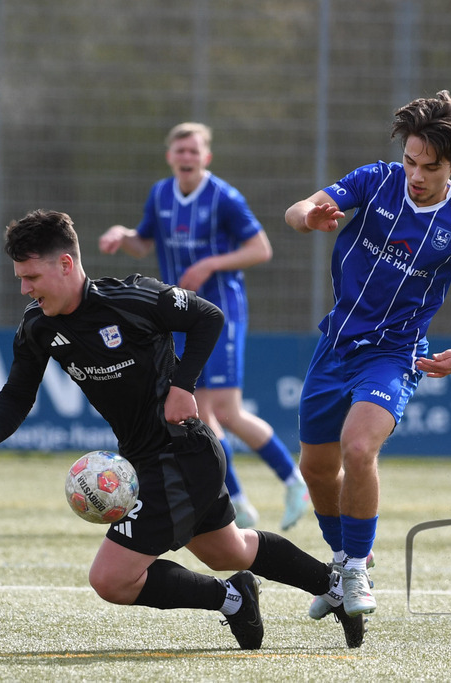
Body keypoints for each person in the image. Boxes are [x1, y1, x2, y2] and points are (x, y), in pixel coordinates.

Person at [0, 209, 364, 649]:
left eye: (31, 277)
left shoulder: (132, 298)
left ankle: (232, 598)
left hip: (180, 453)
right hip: (147, 458)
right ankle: (332, 588)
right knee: (229, 552)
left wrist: (183, 387)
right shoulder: (38, 326)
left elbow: (208, 317)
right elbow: (17, 392)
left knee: (110, 579)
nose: (25, 288)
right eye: (20, 279)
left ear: (65, 264)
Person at [284, 90, 451, 620]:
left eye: (429, 167)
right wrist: (308, 216)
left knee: (358, 448)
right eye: (410, 161)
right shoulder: (375, 180)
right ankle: (342, 563)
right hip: (336, 342)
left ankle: (358, 567)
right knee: (316, 469)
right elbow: (298, 209)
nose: (415, 174)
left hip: (393, 353)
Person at [98, 122, 309, 531]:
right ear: (170, 157)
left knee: (226, 410)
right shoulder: (160, 194)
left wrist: (210, 263)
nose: (187, 158)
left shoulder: (224, 197)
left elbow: (260, 248)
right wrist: (121, 235)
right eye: (180, 151)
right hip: (180, 314)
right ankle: (240, 503)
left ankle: (294, 482)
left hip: (221, 312)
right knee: (202, 412)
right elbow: (144, 243)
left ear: (206, 157)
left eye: (194, 151)